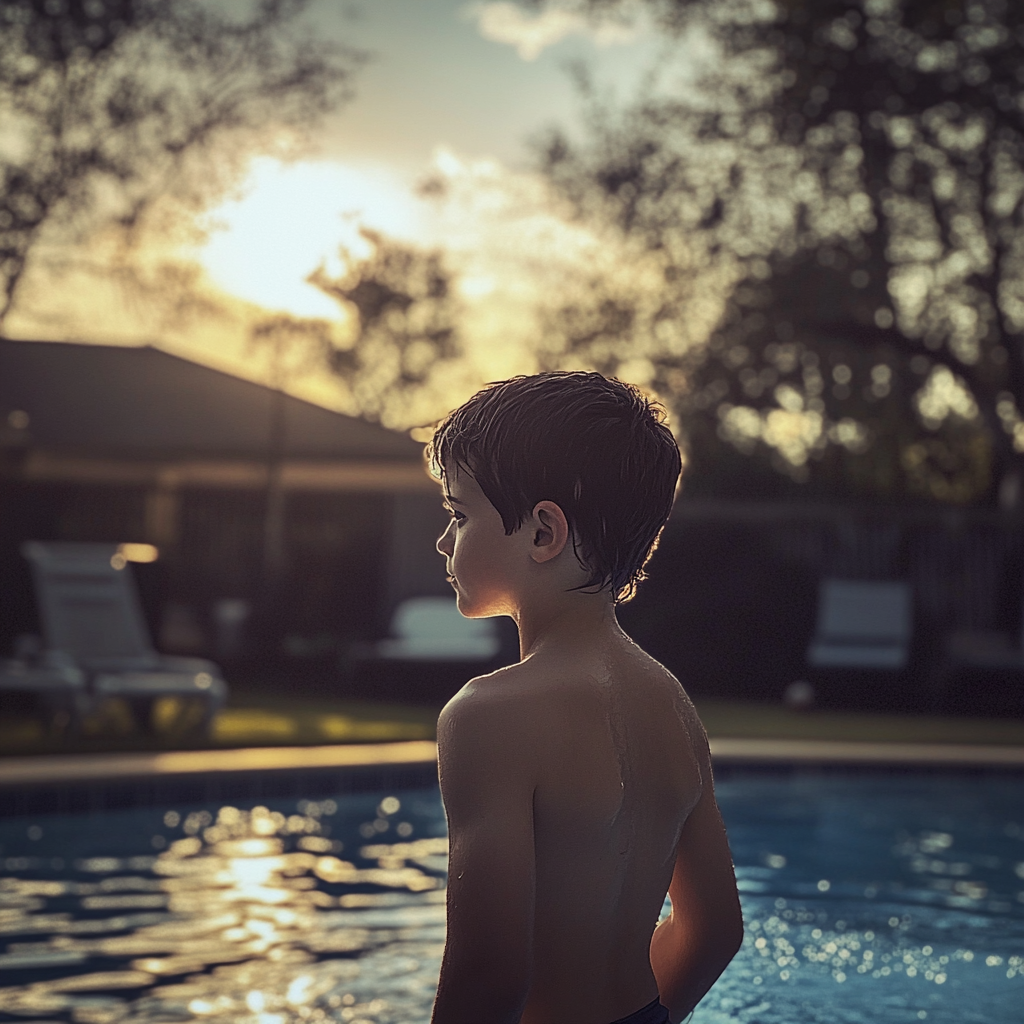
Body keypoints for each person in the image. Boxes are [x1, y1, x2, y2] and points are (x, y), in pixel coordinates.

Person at [426, 372, 743, 1024]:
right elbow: (714, 930)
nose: (443, 540)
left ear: (543, 533)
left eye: (459, 514)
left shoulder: (489, 714)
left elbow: (490, 976)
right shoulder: (671, 704)